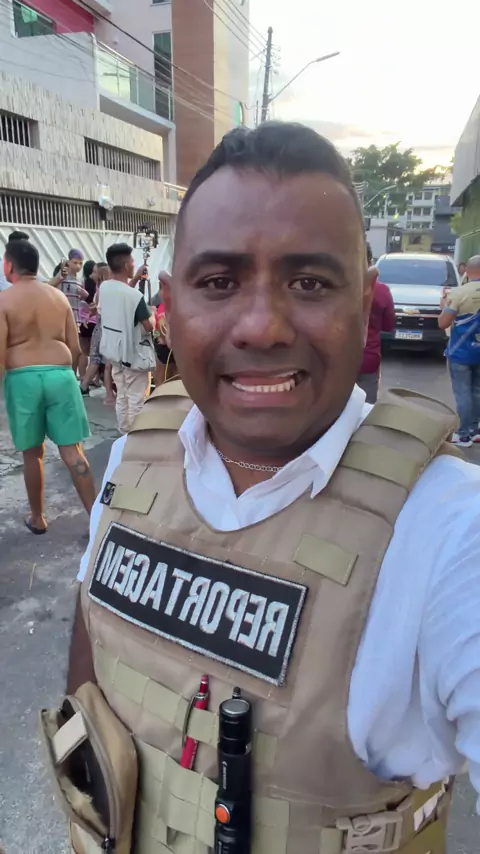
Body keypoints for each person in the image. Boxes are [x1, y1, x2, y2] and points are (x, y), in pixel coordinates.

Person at [64, 123, 480, 854]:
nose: (261, 326)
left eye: (309, 283)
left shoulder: (452, 535)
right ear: (171, 306)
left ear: (364, 300)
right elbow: (88, 671)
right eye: (219, 283)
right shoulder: (135, 458)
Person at [0, 240, 96, 534]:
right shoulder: (58, 297)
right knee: (72, 451)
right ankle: (98, 522)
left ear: (9, 266)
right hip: (61, 375)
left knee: (32, 453)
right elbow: (74, 347)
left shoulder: (4, 300)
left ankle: (38, 518)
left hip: (23, 379)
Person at [99, 243, 155, 432]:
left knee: (122, 397)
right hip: (133, 355)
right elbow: (148, 326)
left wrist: (136, 278)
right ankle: (137, 439)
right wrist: (153, 315)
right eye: (132, 261)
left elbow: (122, 295)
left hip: (115, 354)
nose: (133, 264)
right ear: (125, 265)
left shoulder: (105, 288)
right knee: (137, 400)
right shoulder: (134, 296)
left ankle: (124, 435)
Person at [438, 253, 480, 447]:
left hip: (461, 352)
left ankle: (463, 435)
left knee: (463, 393)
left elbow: (443, 323)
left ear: (467, 271)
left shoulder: (458, 293)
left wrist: (443, 305)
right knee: (477, 391)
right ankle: (475, 431)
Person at [357, 242, 395, 403]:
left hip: (335, 361)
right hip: (368, 359)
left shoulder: (332, 289)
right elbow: (388, 325)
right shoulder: (381, 291)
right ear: (370, 261)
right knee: (365, 408)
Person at [79, 263, 116, 405]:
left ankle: (84, 386)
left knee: (96, 357)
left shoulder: (102, 290)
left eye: (94, 272)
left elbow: (101, 309)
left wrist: (92, 311)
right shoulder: (106, 289)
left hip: (102, 327)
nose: (91, 275)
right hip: (105, 327)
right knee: (103, 360)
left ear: (100, 274)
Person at [50, 249, 89, 331]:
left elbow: (77, 299)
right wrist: (60, 277)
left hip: (75, 318)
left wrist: (84, 295)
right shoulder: (62, 276)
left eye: (80, 263)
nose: (78, 266)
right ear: (69, 262)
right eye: (75, 262)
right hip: (62, 317)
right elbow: (50, 286)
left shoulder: (80, 280)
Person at [77, 260, 98, 382]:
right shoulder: (98, 285)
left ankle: (83, 376)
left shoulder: (81, 283)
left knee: (83, 352)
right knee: (95, 353)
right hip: (95, 322)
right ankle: (95, 379)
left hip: (83, 321)